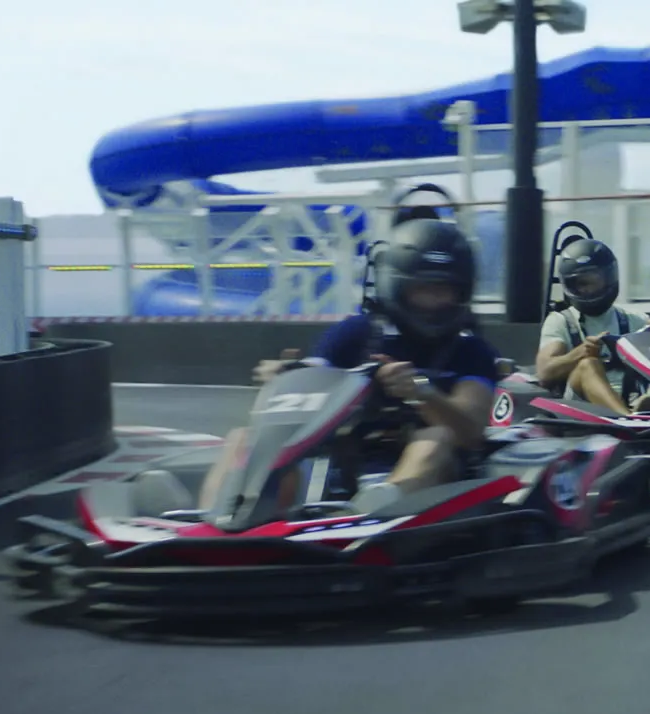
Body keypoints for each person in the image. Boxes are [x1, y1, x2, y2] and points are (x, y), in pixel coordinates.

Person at [198, 217, 503, 513]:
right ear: (397, 285)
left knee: (437, 438)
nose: (436, 302)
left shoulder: (470, 350)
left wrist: (422, 392)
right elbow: (311, 377)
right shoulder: (357, 333)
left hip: (425, 477)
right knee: (244, 437)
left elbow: (471, 431)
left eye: (445, 291)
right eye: (424, 290)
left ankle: (378, 514)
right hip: (345, 461)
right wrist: (283, 377)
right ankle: (222, 516)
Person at [532, 237, 650, 416]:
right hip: (584, 407)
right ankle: (627, 417)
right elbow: (545, 372)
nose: (587, 289)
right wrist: (581, 352)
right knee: (588, 364)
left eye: (593, 281)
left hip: (635, 395)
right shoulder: (560, 321)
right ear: (569, 286)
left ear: (609, 277)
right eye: (580, 284)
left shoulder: (633, 318)